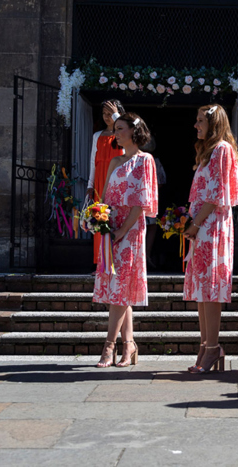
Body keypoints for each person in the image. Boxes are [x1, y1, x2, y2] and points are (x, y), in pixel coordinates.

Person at [93, 113, 158, 368]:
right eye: (115, 129)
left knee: (119, 290)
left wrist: (122, 231)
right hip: (112, 229)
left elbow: (142, 203)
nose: (115, 133)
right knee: (119, 289)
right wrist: (99, 221)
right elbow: (105, 198)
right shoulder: (115, 161)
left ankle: (108, 345)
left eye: (120, 128)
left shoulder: (146, 161)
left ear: (134, 131)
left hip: (130, 231)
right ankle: (129, 344)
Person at [183, 105, 238, 373]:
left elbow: (218, 193)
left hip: (212, 226)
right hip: (202, 226)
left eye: (200, 121)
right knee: (201, 289)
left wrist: (195, 224)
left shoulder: (221, 149)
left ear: (213, 123)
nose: (196, 125)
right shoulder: (207, 152)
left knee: (210, 287)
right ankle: (206, 345)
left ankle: (212, 347)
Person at [87, 100, 125, 271]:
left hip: (117, 182)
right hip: (100, 182)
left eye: (111, 114)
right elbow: (92, 163)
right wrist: (90, 184)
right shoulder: (97, 136)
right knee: (100, 219)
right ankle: (100, 263)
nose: (107, 117)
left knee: (116, 219)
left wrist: (118, 117)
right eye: (104, 114)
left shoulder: (122, 135)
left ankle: (116, 261)